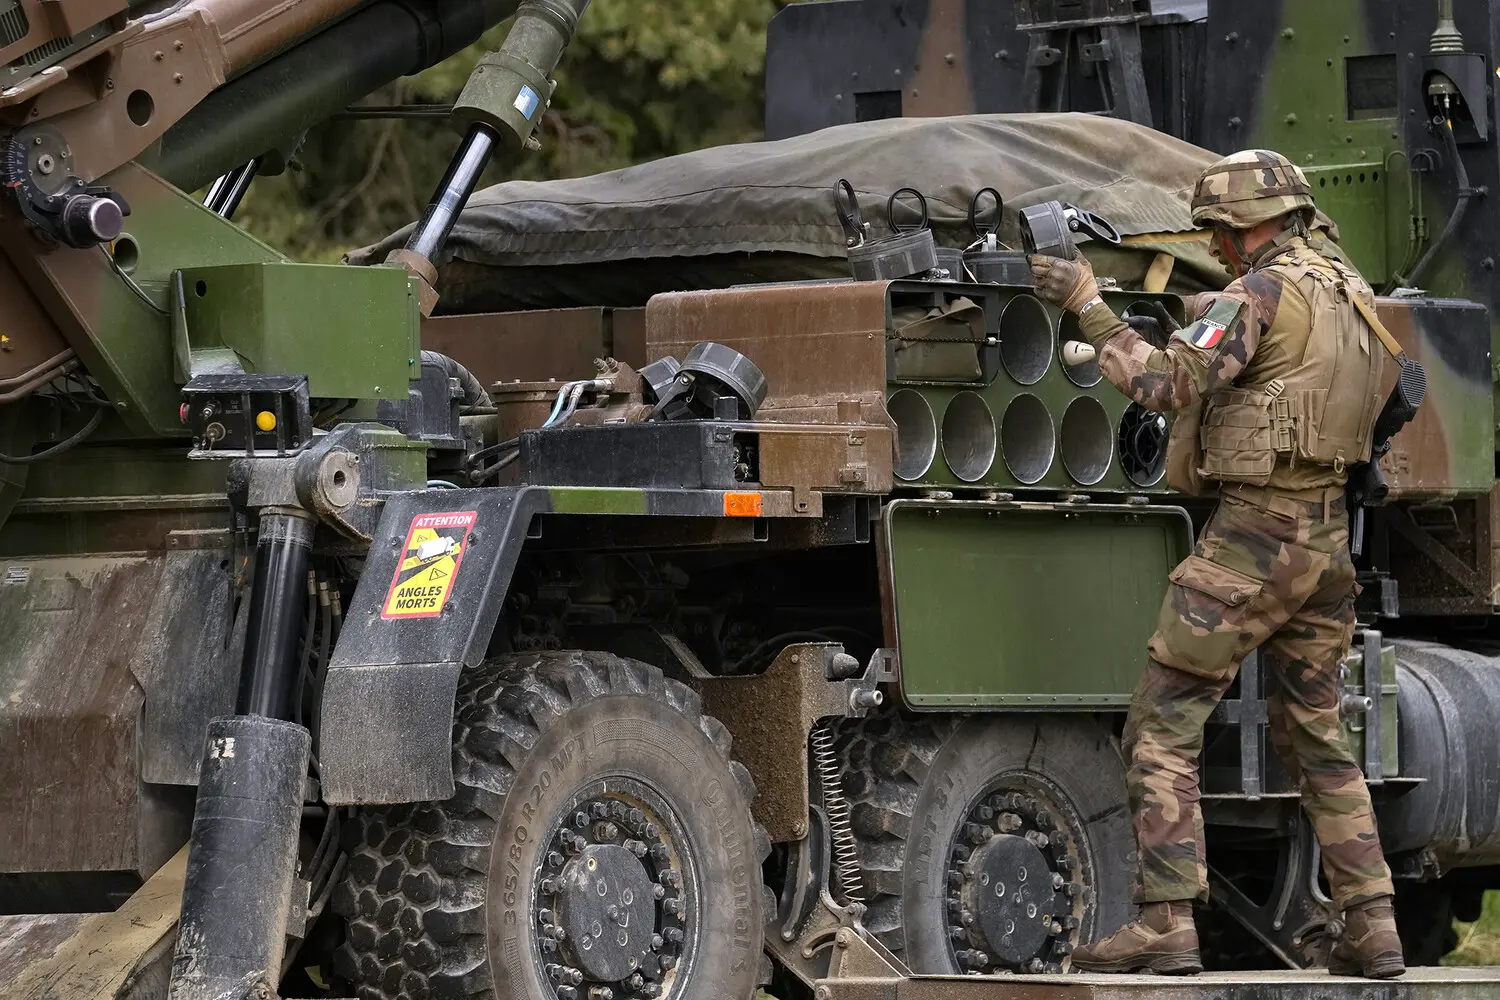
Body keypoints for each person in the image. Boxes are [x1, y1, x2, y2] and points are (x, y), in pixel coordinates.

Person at [1027, 149, 1404, 979]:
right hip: (1326, 538)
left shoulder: (1259, 292)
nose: (1220, 250)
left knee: (1163, 724)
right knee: (1321, 739)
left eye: (1220, 236)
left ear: (1242, 228)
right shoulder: (1352, 294)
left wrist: (1089, 305)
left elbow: (1163, 383)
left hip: (1253, 540)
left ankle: (1165, 922)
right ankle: (1372, 924)